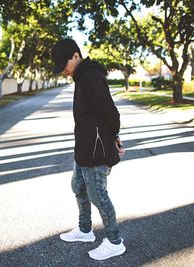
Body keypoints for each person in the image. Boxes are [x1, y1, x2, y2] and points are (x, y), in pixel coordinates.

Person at [51, 39, 126, 261]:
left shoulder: (91, 76)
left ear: (76, 56)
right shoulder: (81, 77)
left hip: (96, 148)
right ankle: (85, 231)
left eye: (64, 64)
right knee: (79, 187)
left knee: (98, 195)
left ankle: (114, 242)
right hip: (84, 145)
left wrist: (114, 137)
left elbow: (110, 112)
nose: (63, 70)